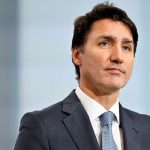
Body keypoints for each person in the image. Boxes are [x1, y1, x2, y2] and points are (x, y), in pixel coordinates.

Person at [14, 2, 150, 150]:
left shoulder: (147, 128)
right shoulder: (42, 127)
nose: (118, 57)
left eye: (126, 47)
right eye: (104, 43)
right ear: (77, 55)